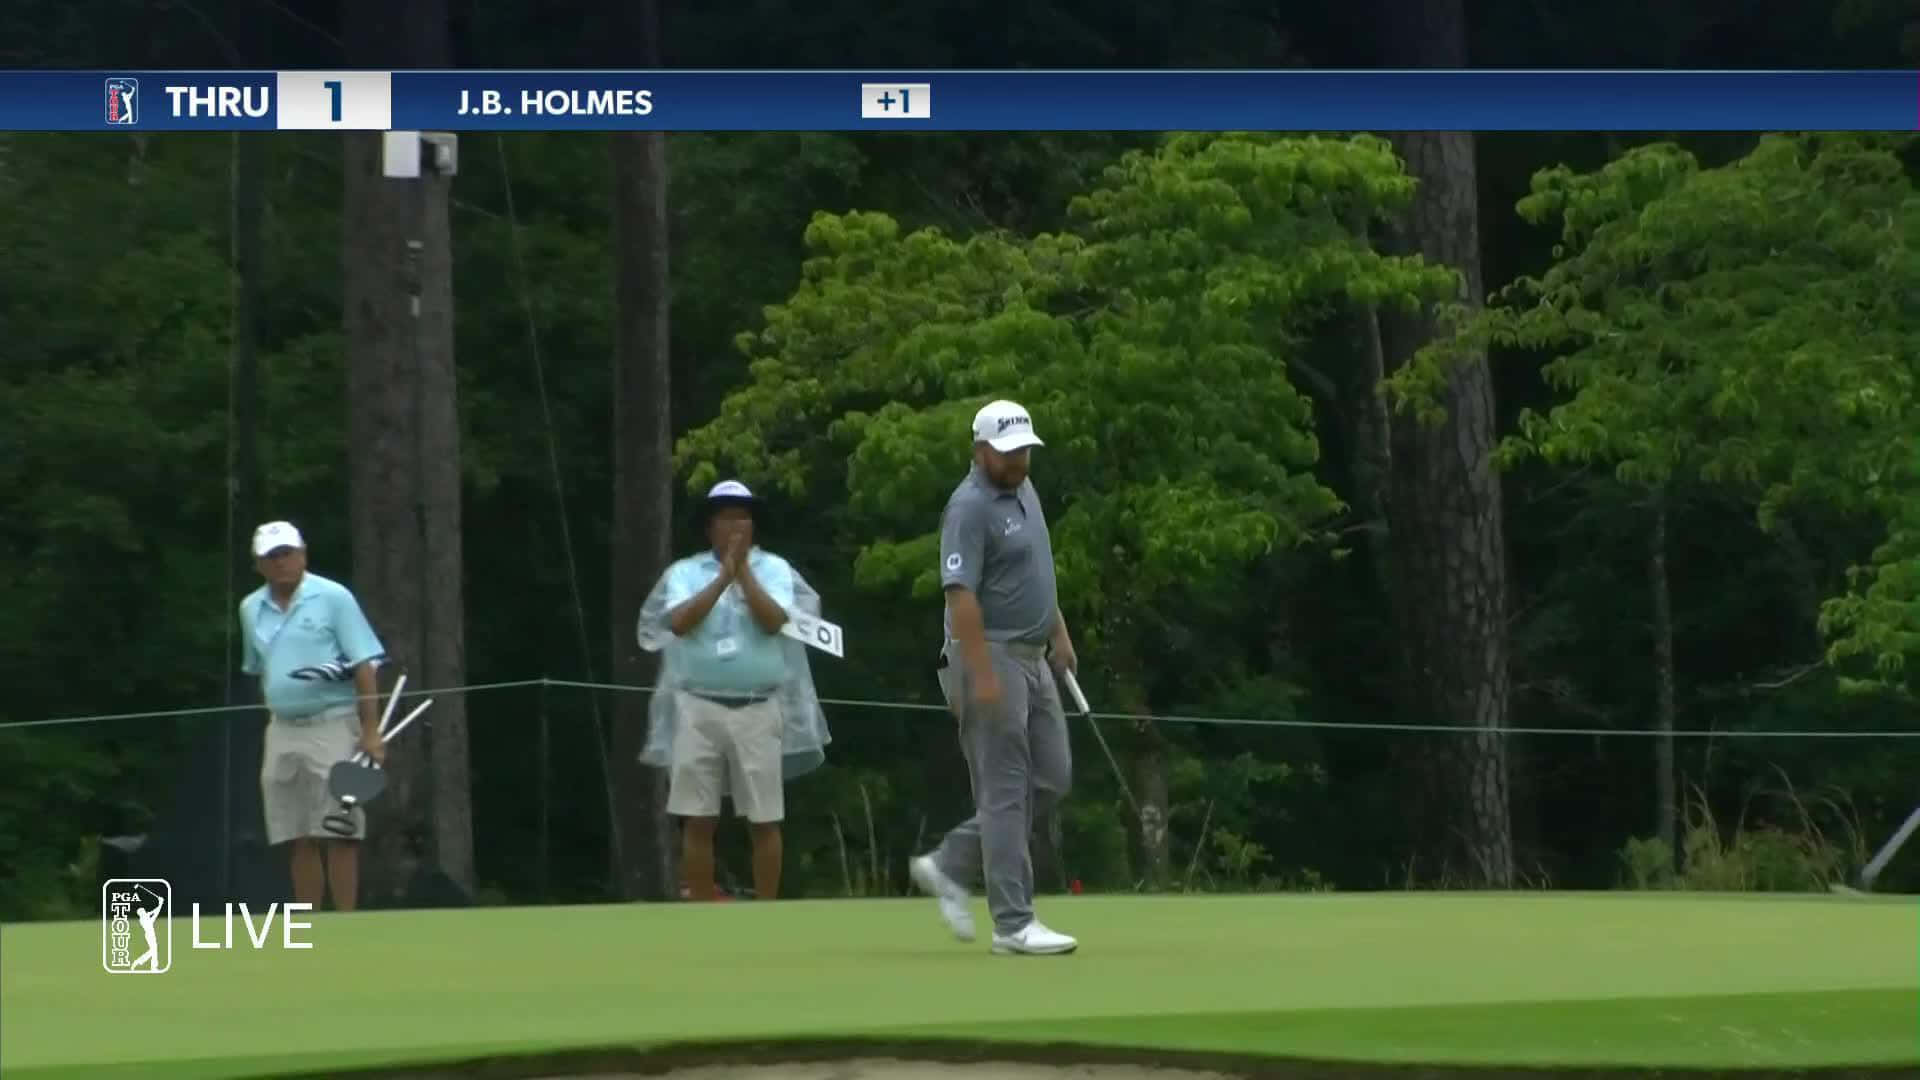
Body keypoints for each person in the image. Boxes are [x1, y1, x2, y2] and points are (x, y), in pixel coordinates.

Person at [909, 399, 1081, 956]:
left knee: (1052, 777)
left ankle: (951, 862)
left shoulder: (1025, 490)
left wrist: (1059, 633)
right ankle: (1013, 924)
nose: (1018, 460)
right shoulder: (969, 507)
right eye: (1008, 452)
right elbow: (960, 595)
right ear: (980, 449)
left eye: (1024, 450)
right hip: (990, 654)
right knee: (1005, 790)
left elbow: (1035, 572)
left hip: (1034, 654)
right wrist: (980, 672)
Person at [635, 480, 831, 901]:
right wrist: (723, 577)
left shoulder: (774, 569)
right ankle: (702, 906)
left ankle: (766, 910)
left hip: (759, 706)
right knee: (697, 817)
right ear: (710, 527)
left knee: (764, 818)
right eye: (726, 518)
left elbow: (774, 621)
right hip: (697, 706)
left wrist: (743, 573)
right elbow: (679, 622)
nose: (736, 527)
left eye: (743, 518)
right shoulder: (684, 573)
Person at [237, 520, 387, 912]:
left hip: (332, 722)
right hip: (282, 729)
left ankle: (345, 924)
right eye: (271, 556)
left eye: (287, 553)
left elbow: (364, 665)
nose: (281, 562)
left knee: (339, 829)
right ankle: (310, 922)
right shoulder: (250, 608)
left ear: (302, 554)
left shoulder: (333, 597)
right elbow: (259, 669)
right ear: (258, 564)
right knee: (296, 833)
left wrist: (370, 731)